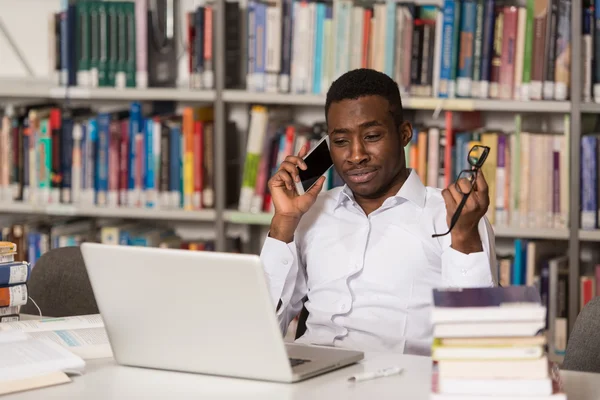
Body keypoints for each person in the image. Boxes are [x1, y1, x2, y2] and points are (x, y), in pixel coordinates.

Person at [259, 69, 497, 355]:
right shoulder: (308, 214)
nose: (357, 154)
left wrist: (465, 239)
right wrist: (283, 224)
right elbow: (259, 333)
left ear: (404, 134)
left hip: (396, 383)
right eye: (341, 141)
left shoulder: (454, 217)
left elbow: (476, 343)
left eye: (372, 136)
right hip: (311, 379)